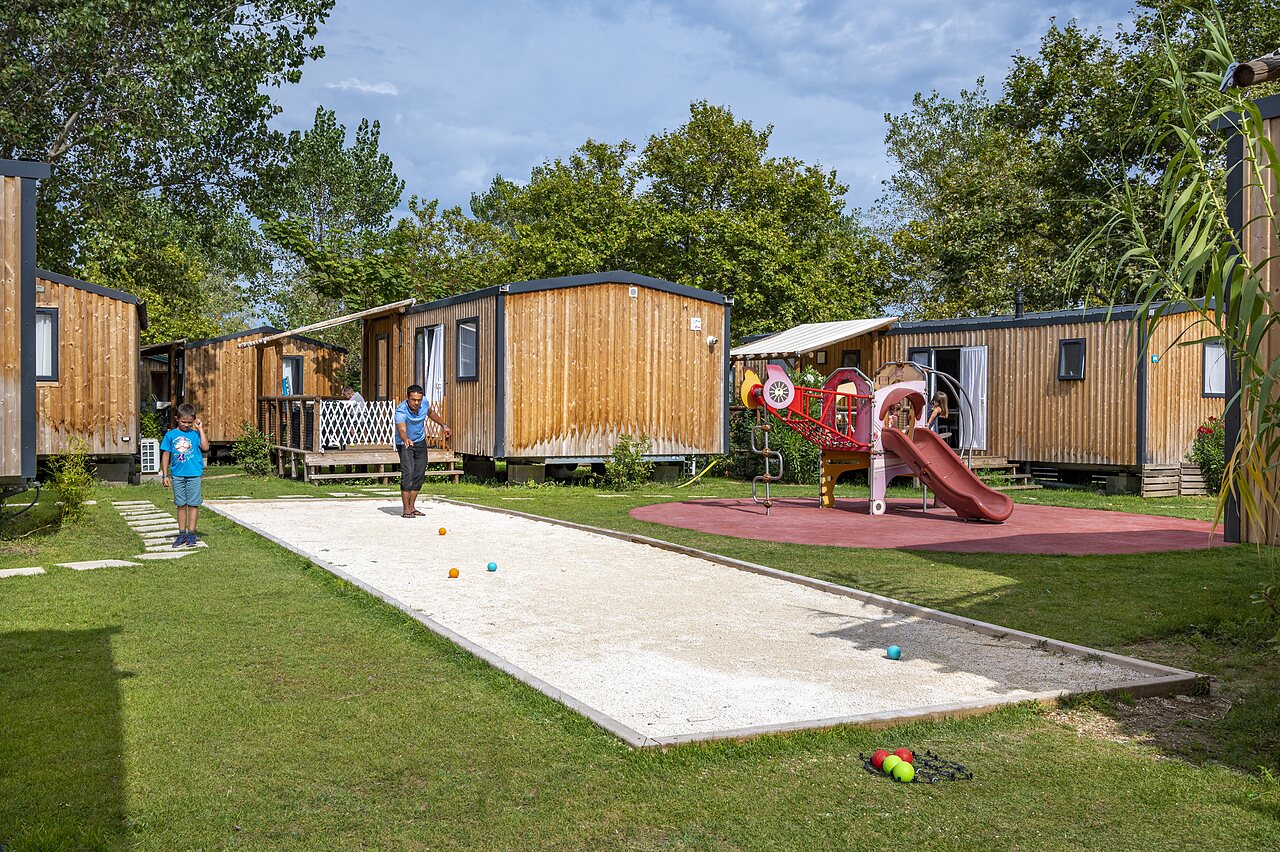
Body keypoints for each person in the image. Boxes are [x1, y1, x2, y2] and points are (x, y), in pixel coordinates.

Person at [394, 384, 451, 518]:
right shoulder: (401, 411)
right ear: (407, 398)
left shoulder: (424, 403)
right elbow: (401, 429)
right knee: (408, 472)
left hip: (420, 442)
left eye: (419, 400)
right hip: (405, 443)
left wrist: (444, 425)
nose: (416, 403)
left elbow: (430, 413)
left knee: (419, 474)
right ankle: (406, 508)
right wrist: (406, 438)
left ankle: (412, 506)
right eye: (413, 400)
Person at [160, 403, 209, 547]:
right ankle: (182, 534)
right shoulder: (170, 435)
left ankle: (191, 534)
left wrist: (200, 428)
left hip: (194, 474)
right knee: (181, 504)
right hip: (177, 475)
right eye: (183, 422)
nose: (186, 425)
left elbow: (205, 447)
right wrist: (165, 475)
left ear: (194, 420)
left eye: (189, 422)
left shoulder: (195, 434)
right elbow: (166, 454)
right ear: (177, 419)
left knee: (193, 504)